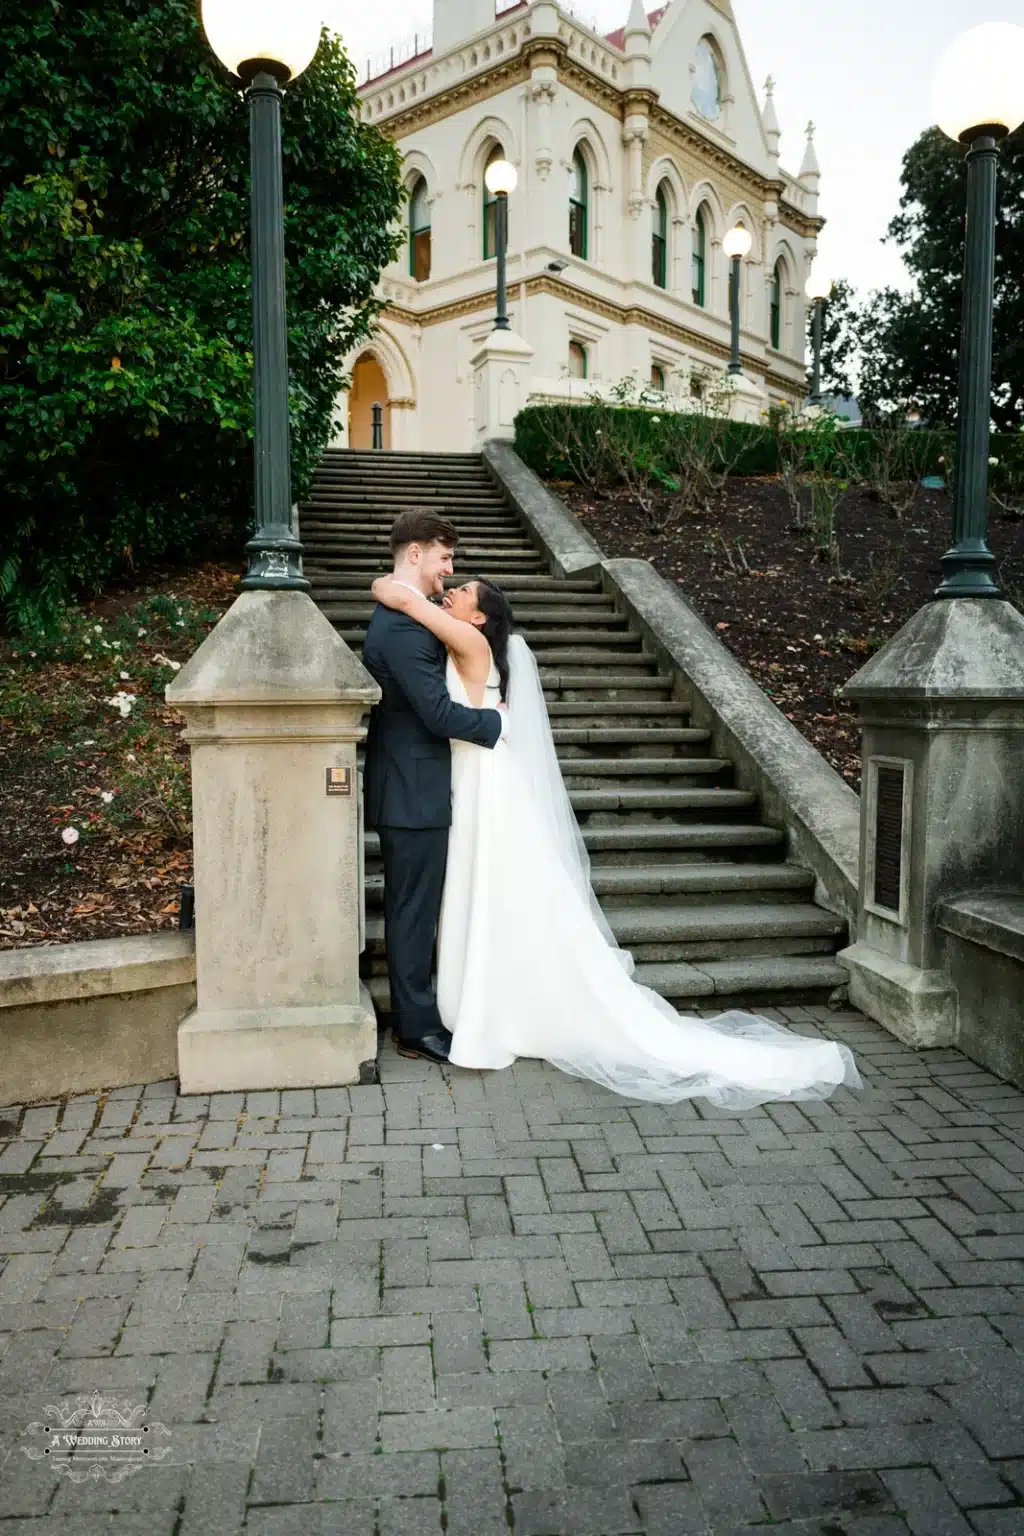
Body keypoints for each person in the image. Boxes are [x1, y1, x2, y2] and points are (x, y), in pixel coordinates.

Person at [368, 571, 862, 1109]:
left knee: (484, 887)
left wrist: (397, 591)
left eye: (463, 593)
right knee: (486, 892)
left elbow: (403, 602)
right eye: (454, 585)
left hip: (482, 779)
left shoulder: (467, 638)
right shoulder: (475, 637)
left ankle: (488, 1007)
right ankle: (483, 999)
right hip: (474, 777)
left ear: (480, 617)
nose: (453, 592)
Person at [361, 510, 507, 1065]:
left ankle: (419, 1014)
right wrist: (498, 724)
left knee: (416, 907)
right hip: (412, 790)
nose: (449, 569)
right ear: (416, 553)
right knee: (412, 911)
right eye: (444, 557)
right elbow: (439, 714)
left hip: (411, 785)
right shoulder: (401, 626)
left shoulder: (402, 610)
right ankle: (415, 1027)